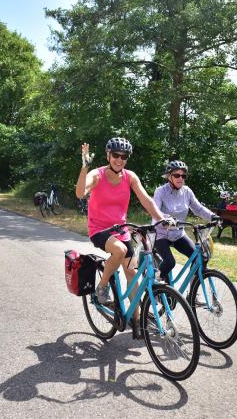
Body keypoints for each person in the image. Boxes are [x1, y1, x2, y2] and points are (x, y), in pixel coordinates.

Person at [75, 137, 168, 338]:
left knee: (132, 275)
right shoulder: (97, 174)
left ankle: (136, 322)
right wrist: (84, 168)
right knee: (120, 250)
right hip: (99, 229)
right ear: (108, 155)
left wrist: (162, 219)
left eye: (123, 156)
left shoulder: (130, 176)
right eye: (115, 155)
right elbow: (81, 193)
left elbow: (146, 199)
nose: (119, 159)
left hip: (121, 230)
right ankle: (102, 287)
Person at [152, 161, 220, 284]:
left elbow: (198, 208)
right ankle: (155, 283)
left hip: (178, 234)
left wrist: (213, 216)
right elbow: (155, 211)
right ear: (169, 176)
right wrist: (166, 219)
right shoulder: (160, 191)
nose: (180, 178)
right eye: (177, 175)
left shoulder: (187, 191)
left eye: (183, 176)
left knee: (199, 258)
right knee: (169, 262)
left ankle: (193, 292)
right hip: (161, 234)